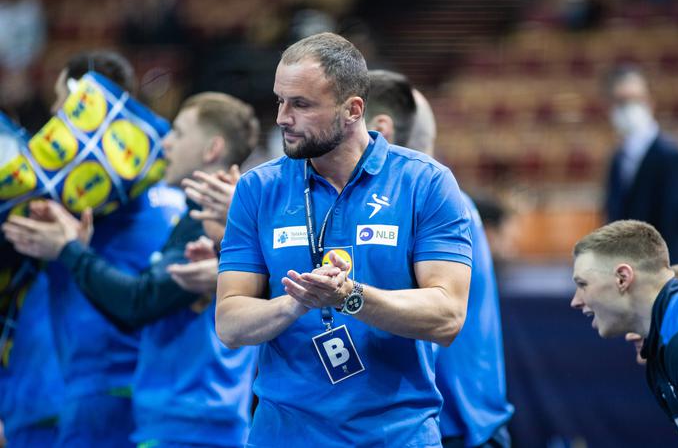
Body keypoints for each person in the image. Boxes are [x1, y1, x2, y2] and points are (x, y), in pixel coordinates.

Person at [216, 32, 472, 447]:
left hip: (396, 434)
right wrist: (296, 302)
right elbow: (229, 322)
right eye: (280, 100)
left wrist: (349, 297)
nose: (282, 117)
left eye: (301, 104)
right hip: (283, 435)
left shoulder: (424, 182)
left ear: (353, 110)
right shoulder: (257, 189)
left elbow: (447, 317)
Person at [4, 92, 260, 447]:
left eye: (179, 133)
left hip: (192, 424)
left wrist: (69, 249)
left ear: (212, 149)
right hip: (183, 420)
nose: (166, 143)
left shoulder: (213, 222)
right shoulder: (199, 218)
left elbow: (138, 303)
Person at [2, 50, 185, 448]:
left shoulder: (68, 198)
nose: (53, 114)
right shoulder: (169, 195)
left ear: (84, 106)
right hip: (144, 391)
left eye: (60, 101)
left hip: (90, 391)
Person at [366, 69, 514, 448]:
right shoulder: (450, 201)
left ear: (380, 130)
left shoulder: (424, 206)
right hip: (465, 424)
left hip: (450, 429)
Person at [570, 220, 678, 430]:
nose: (575, 301)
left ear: (622, 278)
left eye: (582, 284)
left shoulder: (676, 336)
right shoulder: (661, 342)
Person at [603, 65, 678, 263]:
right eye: (621, 102)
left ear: (650, 102)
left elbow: (673, 223)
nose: (628, 108)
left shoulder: (671, 156)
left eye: (635, 100)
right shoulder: (617, 159)